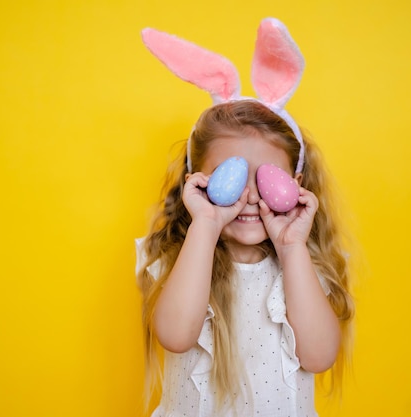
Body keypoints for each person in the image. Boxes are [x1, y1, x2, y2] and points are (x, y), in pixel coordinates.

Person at [136, 18, 354, 417]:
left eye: (268, 178)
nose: (251, 195)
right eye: (231, 176)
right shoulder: (175, 260)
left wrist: (291, 249)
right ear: (197, 183)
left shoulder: (304, 267)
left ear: (297, 183)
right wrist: (204, 224)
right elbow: (174, 334)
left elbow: (320, 356)